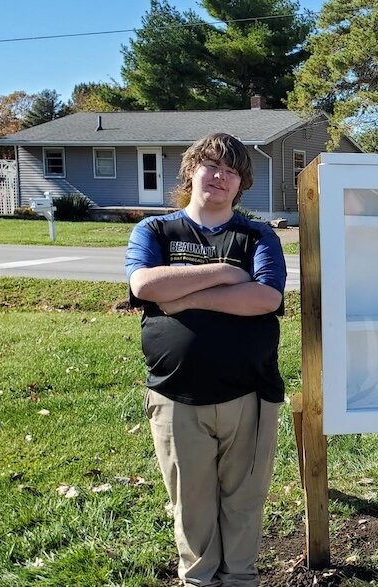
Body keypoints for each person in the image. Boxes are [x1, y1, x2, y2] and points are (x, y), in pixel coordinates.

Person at [125, 133, 287, 587]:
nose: (219, 176)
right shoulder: (155, 231)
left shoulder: (257, 235)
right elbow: (146, 286)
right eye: (211, 165)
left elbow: (264, 298)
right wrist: (223, 273)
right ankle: (198, 579)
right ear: (191, 170)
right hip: (175, 394)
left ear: (241, 184)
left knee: (244, 500)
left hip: (250, 394)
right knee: (190, 501)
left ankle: (239, 579)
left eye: (231, 171)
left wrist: (183, 298)